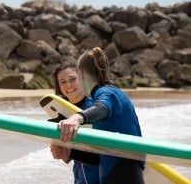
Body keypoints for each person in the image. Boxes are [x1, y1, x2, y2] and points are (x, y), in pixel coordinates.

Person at [57, 47, 145, 184]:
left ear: (80, 74)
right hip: (116, 173)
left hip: (123, 173)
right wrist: (70, 153)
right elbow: (101, 157)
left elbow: (102, 108)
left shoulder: (107, 93)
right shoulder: (109, 92)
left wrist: (76, 118)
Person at [49, 62, 100, 184]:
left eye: (72, 79)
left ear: (81, 78)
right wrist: (59, 151)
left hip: (103, 177)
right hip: (81, 178)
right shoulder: (61, 113)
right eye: (63, 82)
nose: (68, 85)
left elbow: (104, 153)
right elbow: (67, 159)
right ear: (59, 87)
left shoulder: (96, 107)